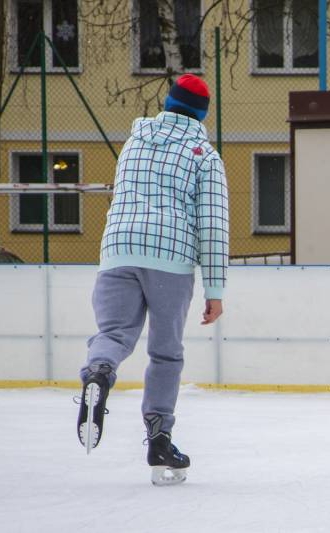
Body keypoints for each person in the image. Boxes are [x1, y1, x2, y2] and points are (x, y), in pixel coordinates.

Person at [76, 74, 229, 485]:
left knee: (113, 332)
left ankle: (98, 372)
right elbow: (213, 226)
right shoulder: (203, 153)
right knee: (165, 353)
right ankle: (160, 436)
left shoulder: (135, 141)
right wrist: (215, 289)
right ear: (201, 114)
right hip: (170, 259)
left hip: (118, 251)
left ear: (168, 103)